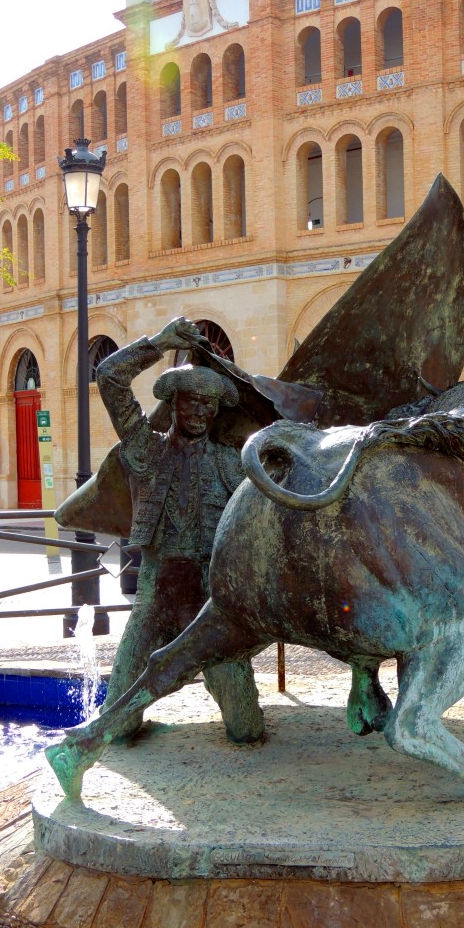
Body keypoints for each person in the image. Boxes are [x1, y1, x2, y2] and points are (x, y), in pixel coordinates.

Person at [95, 316, 265, 743]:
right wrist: (157, 343)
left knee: (245, 729)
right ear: (173, 404)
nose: (202, 413)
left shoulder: (229, 463)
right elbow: (109, 377)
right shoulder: (145, 449)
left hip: (209, 604)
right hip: (154, 597)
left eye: (210, 406)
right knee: (119, 725)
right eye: (192, 403)